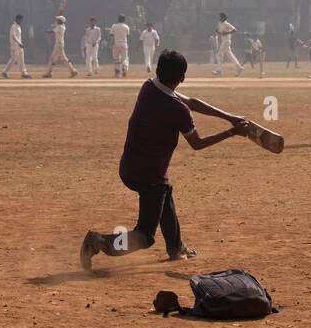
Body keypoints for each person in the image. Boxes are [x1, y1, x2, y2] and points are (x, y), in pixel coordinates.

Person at [80, 49, 249, 271]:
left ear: (158, 70)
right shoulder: (177, 110)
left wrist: (229, 118)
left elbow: (192, 102)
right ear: (183, 78)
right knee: (145, 235)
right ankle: (100, 242)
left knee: (164, 194)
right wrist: (231, 133)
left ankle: (176, 247)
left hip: (129, 166)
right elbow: (197, 143)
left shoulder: (149, 86)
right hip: (150, 174)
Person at [2, 14, 31, 79]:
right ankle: (5, 72)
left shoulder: (18, 26)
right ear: (17, 19)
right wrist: (19, 43)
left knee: (22, 59)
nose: (21, 21)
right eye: (21, 20)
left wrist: (20, 43)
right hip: (15, 46)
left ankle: (24, 73)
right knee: (13, 59)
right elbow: (14, 36)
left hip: (19, 46)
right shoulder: (14, 26)